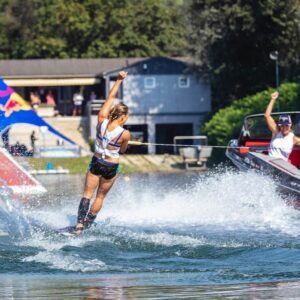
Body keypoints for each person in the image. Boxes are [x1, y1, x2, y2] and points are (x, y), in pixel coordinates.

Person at [75, 71, 130, 234]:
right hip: (111, 165)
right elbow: (123, 150)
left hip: (97, 161)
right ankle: (87, 226)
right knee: (100, 197)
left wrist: (119, 81)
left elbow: (109, 99)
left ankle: (78, 225)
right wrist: (125, 140)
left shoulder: (101, 120)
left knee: (87, 195)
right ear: (123, 117)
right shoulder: (125, 133)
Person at [265, 91, 300, 161]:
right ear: (279, 126)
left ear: (290, 126)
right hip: (270, 163)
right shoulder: (276, 132)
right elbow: (267, 116)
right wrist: (273, 99)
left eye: (286, 126)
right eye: (282, 126)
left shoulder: (294, 138)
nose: (284, 128)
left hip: (283, 167)